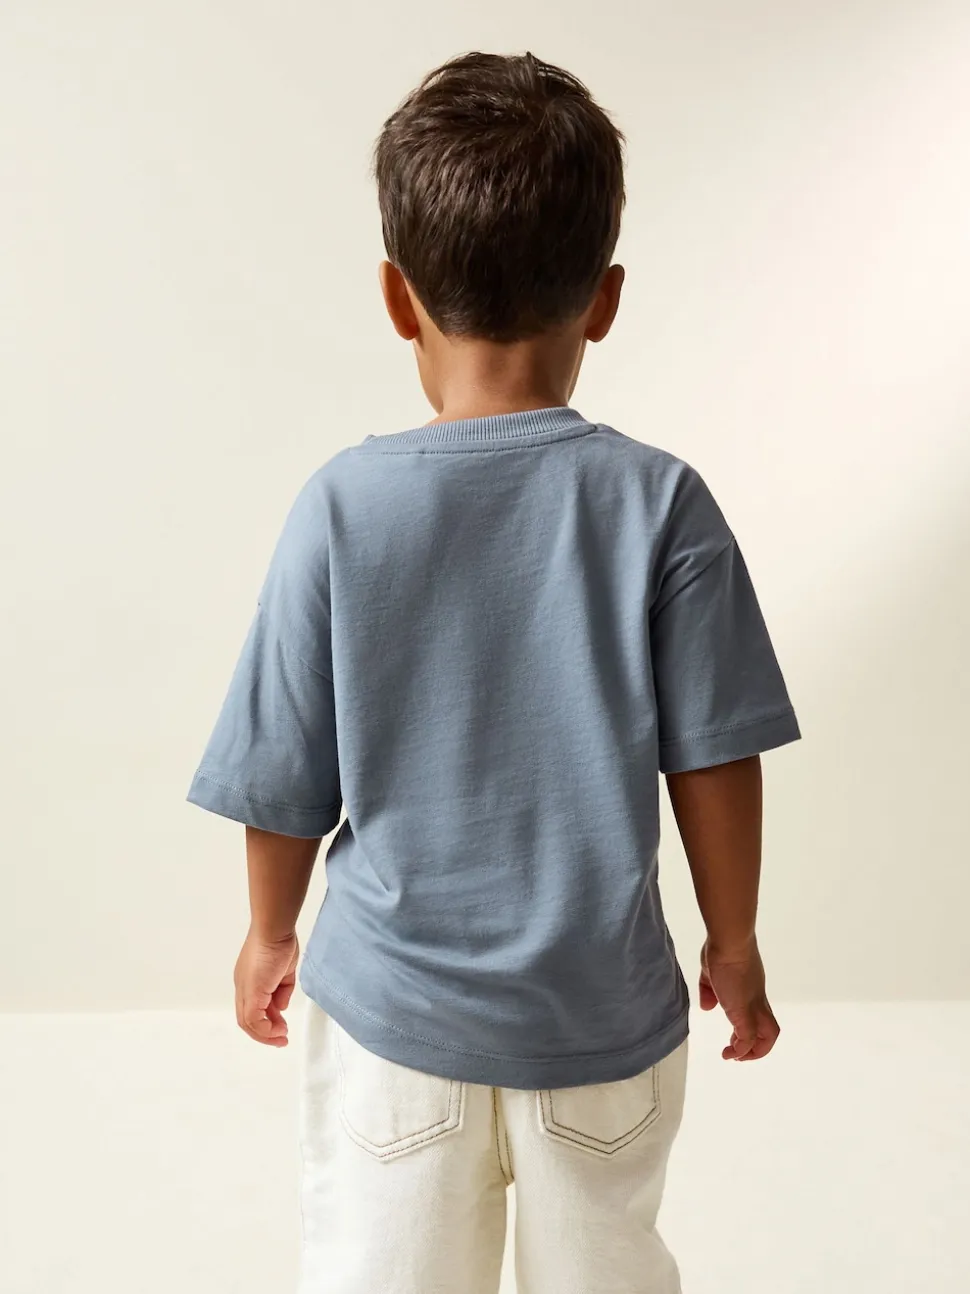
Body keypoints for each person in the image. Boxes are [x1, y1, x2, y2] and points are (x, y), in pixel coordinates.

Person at [187, 50, 800, 1294]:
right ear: (604, 299)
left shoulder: (341, 506)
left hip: (394, 1025)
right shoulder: (661, 504)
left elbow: (283, 775)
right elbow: (714, 756)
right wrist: (732, 940)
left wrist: (267, 931)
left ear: (396, 296)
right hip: (600, 1023)